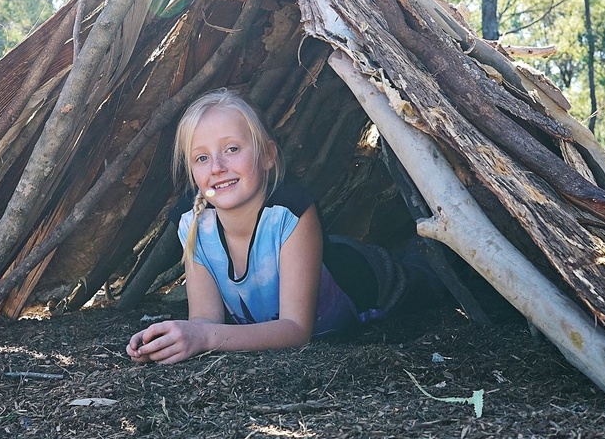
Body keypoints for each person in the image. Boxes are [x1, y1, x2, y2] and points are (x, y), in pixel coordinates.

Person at [127, 89, 418, 365]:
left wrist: (202, 337)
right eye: (201, 158)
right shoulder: (194, 223)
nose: (216, 166)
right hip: (321, 253)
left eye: (231, 149)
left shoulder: (290, 212)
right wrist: (172, 339)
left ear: (267, 155)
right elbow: (205, 320)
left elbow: (296, 330)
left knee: (429, 275)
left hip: (371, 278)